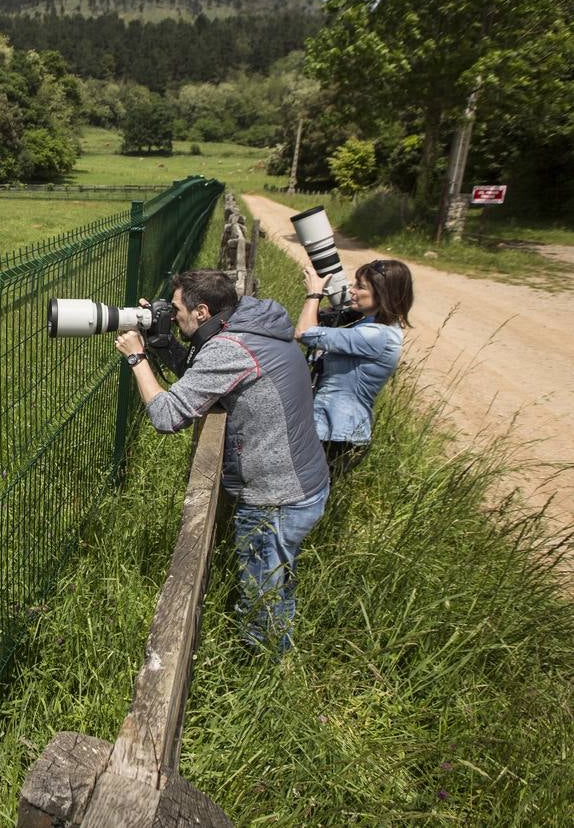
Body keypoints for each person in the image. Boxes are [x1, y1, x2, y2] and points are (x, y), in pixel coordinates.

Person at [116, 270, 329, 652]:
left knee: (261, 600)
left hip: (275, 498)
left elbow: (167, 416)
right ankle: (275, 651)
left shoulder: (230, 348)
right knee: (277, 583)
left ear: (201, 311)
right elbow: (205, 378)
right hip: (303, 482)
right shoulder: (251, 324)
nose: (173, 314)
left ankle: (265, 671)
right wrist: (163, 340)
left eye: (176, 309)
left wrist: (137, 357)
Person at [295, 259, 413, 479]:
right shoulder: (369, 325)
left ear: (382, 294)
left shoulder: (376, 335)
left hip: (336, 434)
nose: (352, 291)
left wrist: (314, 294)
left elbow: (304, 333)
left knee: (303, 497)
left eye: (360, 286)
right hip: (331, 428)